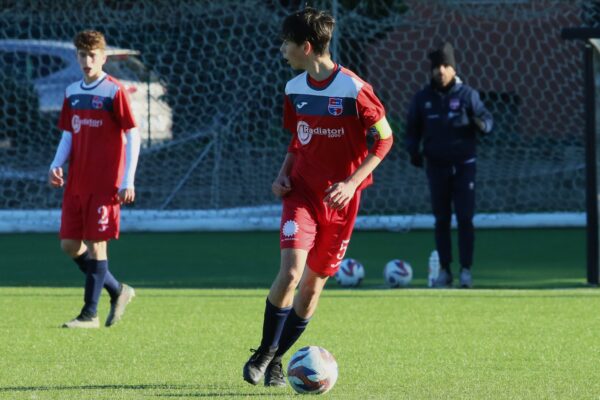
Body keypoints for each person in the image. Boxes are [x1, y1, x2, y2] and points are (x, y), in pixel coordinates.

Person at [242, 7, 393, 387]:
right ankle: (263, 354)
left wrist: (351, 182)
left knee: (310, 291)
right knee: (291, 272)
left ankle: (276, 359)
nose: (282, 50)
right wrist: (282, 174)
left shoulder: (355, 90)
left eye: (287, 44)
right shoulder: (294, 90)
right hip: (303, 195)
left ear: (306, 47)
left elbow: (385, 139)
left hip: (341, 203)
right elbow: (298, 139)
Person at [48, 30, 140, 328]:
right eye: (82, 55)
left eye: (92, 55)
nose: (87, 61)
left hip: (106, 183)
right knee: (69, 245)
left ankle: (90, 314)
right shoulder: (72, 91)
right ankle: (117, 290)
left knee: (97, 244)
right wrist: (56, 164)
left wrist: (128, 179)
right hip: (76, 180)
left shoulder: (113, 92)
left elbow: (133, 134)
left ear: (103, 57)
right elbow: (68, 133)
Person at [405, 42, 493, 288]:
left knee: (465, 218)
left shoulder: (468, 95)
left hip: (465, 166)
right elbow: (412, 129)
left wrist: (482, 125)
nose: (441, 71)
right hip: (436, 167)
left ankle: (466, 270)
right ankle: (445, 270)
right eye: (437, 67)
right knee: (441, 219)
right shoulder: (423, 98)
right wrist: (413, 150)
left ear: (453, 68)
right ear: (431, 70)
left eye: (446, 66)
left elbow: (487, 119)